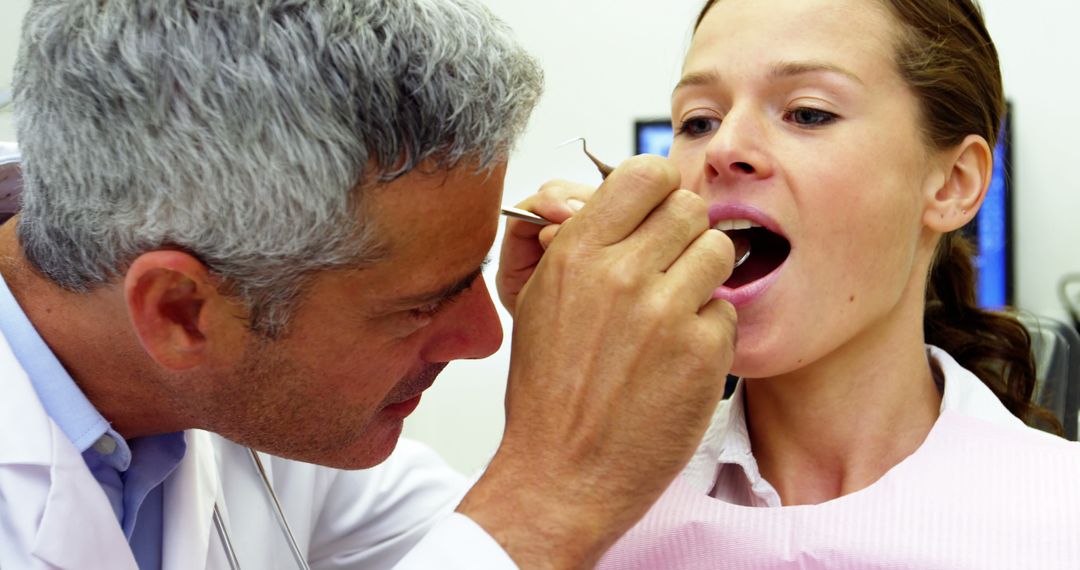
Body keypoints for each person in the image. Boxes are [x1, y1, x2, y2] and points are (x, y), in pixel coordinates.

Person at [0, 1, 739, 568]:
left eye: (473, 274)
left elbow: (472, 538)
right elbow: (522, 536)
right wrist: (555, 490)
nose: (488, 339)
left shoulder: (280, 412)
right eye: (420, 303)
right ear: (182, 313)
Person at [500, 0, 1080, 567]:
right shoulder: (571, 514)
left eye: (807, 112)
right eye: (698, 121)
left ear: (953, 183)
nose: (724, 148)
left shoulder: (1059, 520)